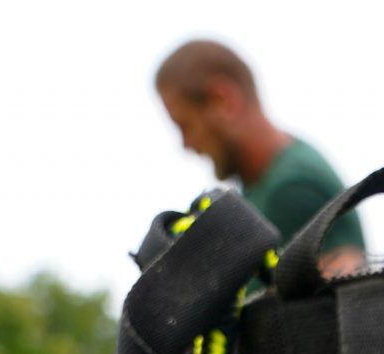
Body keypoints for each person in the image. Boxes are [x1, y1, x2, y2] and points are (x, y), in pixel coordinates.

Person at [154, 39, 365, 273]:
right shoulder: (260, 185)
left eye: (184, 125)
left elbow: (342, 296)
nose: (186, 144)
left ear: (223, 101)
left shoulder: (293, 187)